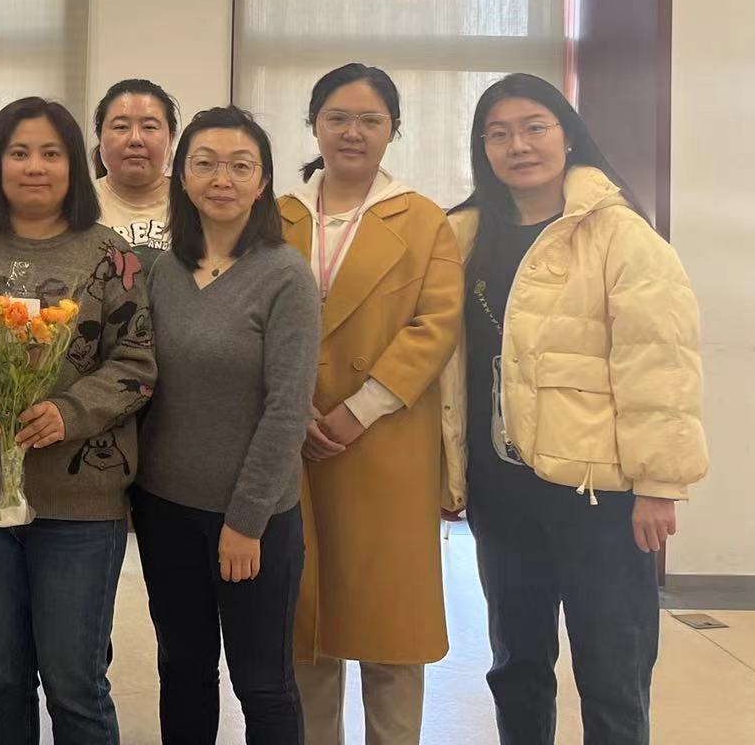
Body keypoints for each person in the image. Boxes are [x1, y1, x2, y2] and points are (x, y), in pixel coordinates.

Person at [440, 74, 707, 745]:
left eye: (535, 127)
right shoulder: (463, 235)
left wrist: (658, 484)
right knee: (516, 666)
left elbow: (659, 364)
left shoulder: (620, 235)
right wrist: (447, 474)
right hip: (501, 494)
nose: (518, 145)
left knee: (613, 672)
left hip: (601, 499)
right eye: (498, 134)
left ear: (568, 135)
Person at [0, 97, 156, 745]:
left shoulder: (111, 255)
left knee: (75, 684)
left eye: (50, 153)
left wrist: (69, 412)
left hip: (82, 503)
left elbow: (137, 361)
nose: (34, 166)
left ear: (74, 164)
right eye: (19, 152)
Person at [275, 65, 462, 745]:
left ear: (393, 130)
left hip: (385, 442)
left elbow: (435, 326)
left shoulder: (424, 219)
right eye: (337, 118)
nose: (352, 132)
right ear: (314, 124)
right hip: (290, 441)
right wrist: (289, 409)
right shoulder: (277, 216)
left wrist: (360, 408)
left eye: (370, 120)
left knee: (391, 626)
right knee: (305, 624)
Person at [133, 106, 320, 742]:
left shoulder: (285, 274)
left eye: (241, 166)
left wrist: (245, 522)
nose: (222, 179)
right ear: (182, 176)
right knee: (183, 671)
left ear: (262, 182)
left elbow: (287, 409)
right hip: (164, 508)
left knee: (262, 682)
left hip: (253, 518)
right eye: (206, 164)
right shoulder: (162, 270)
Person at [91, 78, 179, 262]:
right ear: (100, 136)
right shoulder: (78, 203)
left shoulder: (193, 204)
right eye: (121, 127)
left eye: (149, 127)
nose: (135, 139)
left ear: (171, 138)